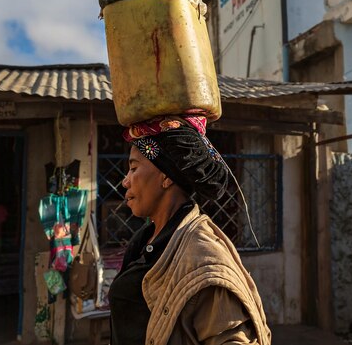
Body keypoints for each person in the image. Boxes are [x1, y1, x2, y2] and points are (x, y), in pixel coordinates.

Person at [108, 116, 271, 345]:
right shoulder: (144, 242)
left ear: (165, 177)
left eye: (134, 168)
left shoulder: (204, 257)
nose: (125, 182)